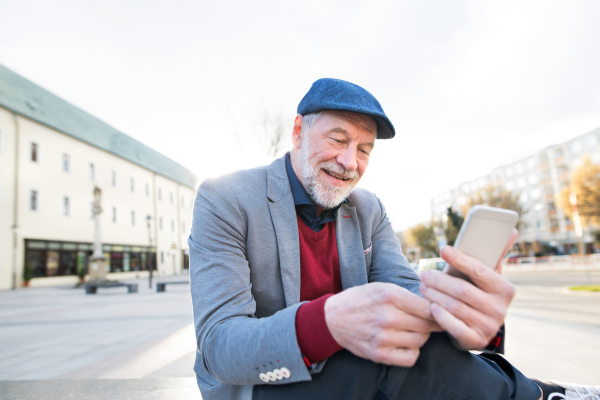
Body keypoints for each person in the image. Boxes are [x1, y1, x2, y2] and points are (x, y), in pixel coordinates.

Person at [189, 78, 599, 400]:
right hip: (262, 385)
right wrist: (330, 322)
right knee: (381, 361)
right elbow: (220, 345)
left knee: (413, 351)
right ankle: (541, 395)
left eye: (365, 149)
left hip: (353, 372)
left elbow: (405, 289)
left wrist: (462, 314)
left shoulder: (369, 208)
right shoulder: (224, 197)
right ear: (298, 132)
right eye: (338, 139)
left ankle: (539, 395)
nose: (350, 163)